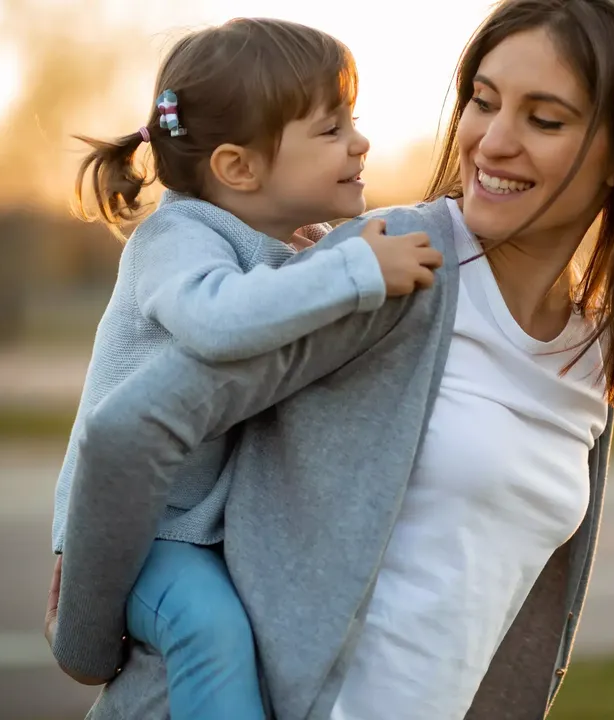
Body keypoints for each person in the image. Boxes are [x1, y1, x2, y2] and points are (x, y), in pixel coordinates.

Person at [49, 0, 614, 717]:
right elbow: (127, 431)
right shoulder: (386, 268)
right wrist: (83, 640)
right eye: (482, 103)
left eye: (545, 120)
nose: (491, 142)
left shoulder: (590, 355)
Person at [49, 17, 443, 720]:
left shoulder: (290, 244)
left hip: (199, 527)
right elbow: (218, 320)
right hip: (140, 537)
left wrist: (335, 258)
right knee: (210, 631)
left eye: (353, 120)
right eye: (331, 129)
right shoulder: (177, 238)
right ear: (238, 168)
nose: (361, 141)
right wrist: (355, 269)